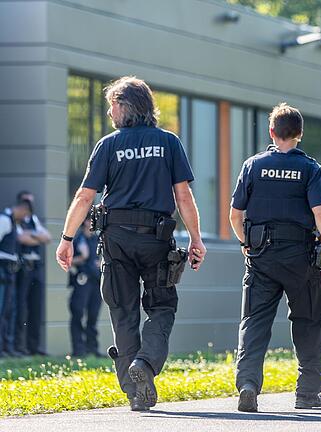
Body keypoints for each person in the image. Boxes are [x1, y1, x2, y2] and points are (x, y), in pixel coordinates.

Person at [54, 76, 206, 412]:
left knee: (122, 312)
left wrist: (66, 238)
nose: (110, 113)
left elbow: (84, 196)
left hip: (116, 239)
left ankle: (134, 392)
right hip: (156, 238)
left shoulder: (108, 145)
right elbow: (183, 195)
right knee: (162, 307)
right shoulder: (168, 142)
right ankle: (146, 364)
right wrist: (196, 238)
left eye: (113, 105)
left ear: (127, 106)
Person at [229, 103, 321, 413]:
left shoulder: (252, 166)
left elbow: (235, 214)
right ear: (300, 134)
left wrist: (244, 243)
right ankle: (307, 393)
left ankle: (249, 385)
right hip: (300, 259)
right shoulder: (310, 169)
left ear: (271, 132)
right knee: (307, 321)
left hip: (261, 256)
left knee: (254, 321)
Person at [13, 191, 51, 356]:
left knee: (36, 309)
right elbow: (21, 239)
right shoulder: (15, 220)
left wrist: (32, 235)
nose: (28, 205)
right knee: (21, 309)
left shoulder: (33, 220)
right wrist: (36, 237)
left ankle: (33, 346)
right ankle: (20, 347)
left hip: (36, 268)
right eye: (25, 202)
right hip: (23, 269)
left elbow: (47, 237)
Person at [0, 200, 32, 358]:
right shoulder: (5, 220)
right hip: (3, 270)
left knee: (8, 310)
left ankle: (6, 347)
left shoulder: (12, 222)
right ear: (21, 209)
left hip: (10, 271)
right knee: (2, 310)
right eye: (25, 214)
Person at [68, 219, 102, 357]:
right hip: (82, 280)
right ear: (86, 222)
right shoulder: (76, 240)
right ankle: (78, 350)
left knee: (93, 315)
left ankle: (92, 348)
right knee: (78, 313)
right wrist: (81, 257)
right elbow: (68, 261)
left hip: (96, 281)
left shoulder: (98, 239)